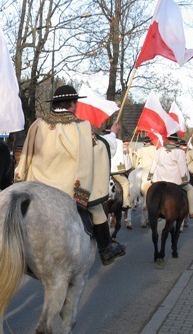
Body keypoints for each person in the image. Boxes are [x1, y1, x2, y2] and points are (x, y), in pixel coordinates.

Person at [15, 84, 126, 266]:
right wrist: (113, 135)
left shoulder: (38, 124)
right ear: (73, 104)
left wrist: (18, 181)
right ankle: (106, 251)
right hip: (67, 190)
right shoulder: (81, 126)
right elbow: (98, 149)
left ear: (55, 104)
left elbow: (26, 154)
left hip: (37, 189)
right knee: (98, 210)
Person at [147, 134, 193, 220]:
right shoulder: (180, 152)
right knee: (190, 189)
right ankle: (192, 211)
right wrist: (184, 179)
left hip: (159, 179)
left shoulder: (159, 150)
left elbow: (154, 163)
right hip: (174, 180)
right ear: (176, 141)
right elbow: (182, 166)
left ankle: (149, 208)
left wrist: (150, 175)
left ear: (168, 139)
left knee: (150, 191)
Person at [110, 134, 133, 227]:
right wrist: (121, 169)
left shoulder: (103, 139)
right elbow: (120, 158)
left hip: (105, 170)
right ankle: (125, 203)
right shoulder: (119, 143)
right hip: (115, 170)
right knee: (126, 183)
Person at [135, 136, 156, 227]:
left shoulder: (141, 149)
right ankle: (146, 218)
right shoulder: (154, 148)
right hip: (151, 171)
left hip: (140, 170)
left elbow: (137, 159)